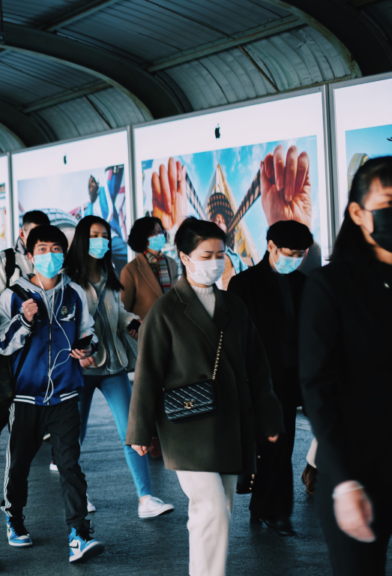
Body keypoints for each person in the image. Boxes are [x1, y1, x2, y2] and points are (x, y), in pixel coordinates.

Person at [127, 218, 283, 576]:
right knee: (211, 507)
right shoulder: (164, 311)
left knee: (220, 510)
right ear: (184, 256)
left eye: (220, 254)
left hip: (232, 421)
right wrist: (139, 430)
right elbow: (148, 372)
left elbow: (258, 367)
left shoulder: (235, 307)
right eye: (206, 254)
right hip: (187, 424)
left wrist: (270, 416)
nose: (215, 261)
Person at [300, 157, 392, 575]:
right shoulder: (331, 285)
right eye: (389, 202)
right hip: (360, 469)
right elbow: (319, 389)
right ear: (357, 212)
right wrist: (343, 480)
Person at [0, 224, 103, 562]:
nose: (50, 255)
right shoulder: (14, 295)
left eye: (56, 249)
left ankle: (79, 533)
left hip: (66, 394)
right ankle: (14, 517)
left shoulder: (75, 293)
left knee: (70, 464)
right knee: (19, 464)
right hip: (26, 396)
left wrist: (87, 350)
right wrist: (23, 322)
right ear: (29, 255)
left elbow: (89, 333)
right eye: (42, 249)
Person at [65, 216, 174, 520]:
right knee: (75, 435)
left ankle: (146, 498)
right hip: (82, 368)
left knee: (133, 430)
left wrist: (131, 322)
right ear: (82, 239)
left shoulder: (110, 272)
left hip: (113, 366)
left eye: (105, 235)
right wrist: (76, 349)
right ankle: (78, 495)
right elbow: (62, 322)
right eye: (94, 235)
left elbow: (119, 310)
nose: (101, 241)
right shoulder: (68, 278)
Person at [227, 220, 313, 537]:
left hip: (292, 378)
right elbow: (235, 338)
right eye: (290, 252)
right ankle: (273, 510)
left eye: (302, 253)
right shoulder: (244, 284)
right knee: (270, 445)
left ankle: (266, 508)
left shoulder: (304, 283)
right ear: (271, 246)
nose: (296, 258)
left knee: (282, 444)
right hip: (259, 380)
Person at [0, 211, 51, 465]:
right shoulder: (7, 258)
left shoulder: (52, 255)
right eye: (34, 233)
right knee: (12, 391)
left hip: (45, 337)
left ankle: (35, 436)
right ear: (23, 233)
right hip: (16, 336)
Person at [120, 215, 178, 458]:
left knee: (172, 384)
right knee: (152, 386)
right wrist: (135, 328)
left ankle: (171, 432)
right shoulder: (131, 270)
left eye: (161, 231)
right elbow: (124, 308)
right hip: (148, 336)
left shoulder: (172, 264)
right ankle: (151, 438)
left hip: (174, 334)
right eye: (154, 232)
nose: (160, 235)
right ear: (143, 238)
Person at [0, 210, 49, 298]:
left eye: (45, 235)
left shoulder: (53, 258)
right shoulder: (4, 259)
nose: (40, 240)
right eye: (34, 235)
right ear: (22, 234)